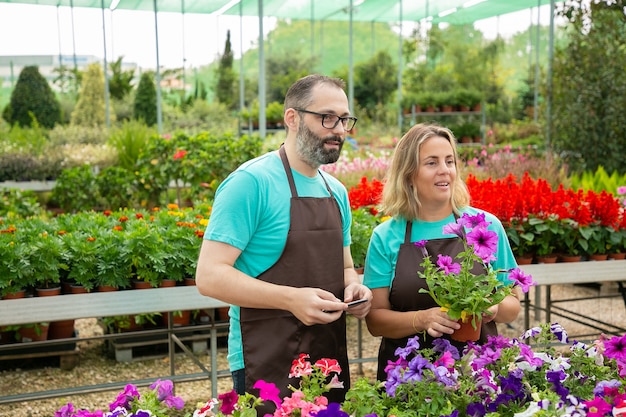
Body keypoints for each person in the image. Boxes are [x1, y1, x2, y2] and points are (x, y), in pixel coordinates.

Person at [195, 74, 372, 410]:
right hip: (264, 354)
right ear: (292, 118)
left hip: (326, 356)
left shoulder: (336, 192)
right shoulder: (250, 183)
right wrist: (291, 299)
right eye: (327, 118)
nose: (339, 130)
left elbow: (346, 266)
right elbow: (209, 275)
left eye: (345, 120)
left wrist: (356, 289)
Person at [362, 122, 522, 381]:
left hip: (475, 374)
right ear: (409, 173)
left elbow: (513, 306)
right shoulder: (386, 236)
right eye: (432, 163)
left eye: (450, 161)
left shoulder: (485, 226)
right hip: (408, 376)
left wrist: (491, 307)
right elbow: (375, 320)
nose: (445, 171)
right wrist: (422, 319)